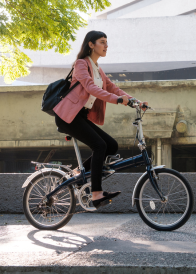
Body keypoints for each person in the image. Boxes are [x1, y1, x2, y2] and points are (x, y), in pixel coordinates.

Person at [53, 31, 148, 208]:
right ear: (91, 44)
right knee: (100, 146)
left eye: (107, 43)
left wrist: (136, 102)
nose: (106, 46)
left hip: (80, 116)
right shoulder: (81, 64)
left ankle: (77, 173)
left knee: (111, 145)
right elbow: (89, 87)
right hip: (68, 116)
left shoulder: (98, 69)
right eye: (102, 42)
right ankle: (96, 193)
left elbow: (113, 88)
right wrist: (117, 100)